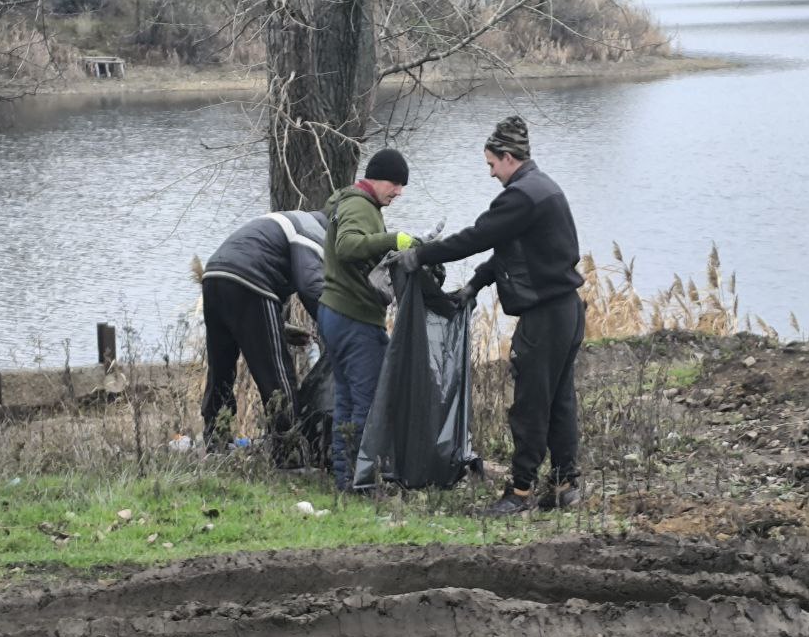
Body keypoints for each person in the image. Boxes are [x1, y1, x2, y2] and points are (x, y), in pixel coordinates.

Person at [395, 116, 585, 514]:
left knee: (531, 404)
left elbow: (478, 237)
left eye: (492, 164)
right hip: (568, 310)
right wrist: (475, 285)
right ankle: (566, 483)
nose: (491, 173)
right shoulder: (543, 188)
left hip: (544, 318)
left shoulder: (520, 196)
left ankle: (520, 492)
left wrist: (421, 255)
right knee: (559, 400)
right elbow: (508, 251)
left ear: (509, 157)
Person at [317, 148, 416, 491]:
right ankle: (362, 482)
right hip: (353, 318)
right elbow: (347, 246)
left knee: (345, 401)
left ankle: (345, 477)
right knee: (368, 402)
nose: (398, 192)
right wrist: (393, 239)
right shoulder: (360, 206)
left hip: (336, 313)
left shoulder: (355, 203)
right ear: (377, 178)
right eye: (395, 184)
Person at [200, 209, 328, 462]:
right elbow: (309, 285)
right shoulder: (313, 233)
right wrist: (335, 325)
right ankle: (288, 451)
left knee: (221, 369)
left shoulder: (282, 221)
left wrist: (280, 327)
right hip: (250, 280)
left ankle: (216, 440)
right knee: (277, 375)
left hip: (213, 276)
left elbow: (259, 261)